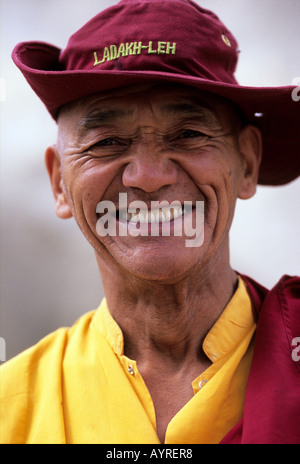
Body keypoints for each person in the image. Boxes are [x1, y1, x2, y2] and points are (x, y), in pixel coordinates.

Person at [1, 0, 299, 445]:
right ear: (59, 183)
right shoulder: (11, 404)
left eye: (188, 135)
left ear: (248, 163)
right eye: (108, 142)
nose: (149, 177)